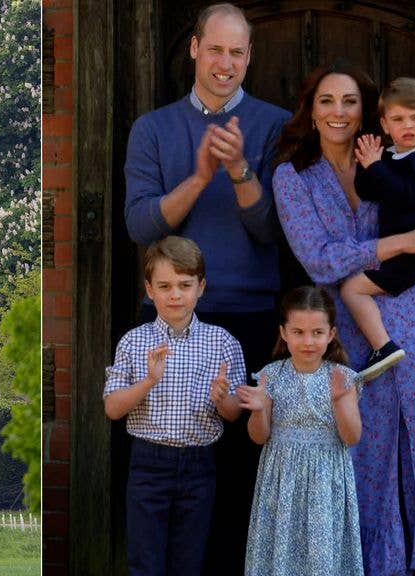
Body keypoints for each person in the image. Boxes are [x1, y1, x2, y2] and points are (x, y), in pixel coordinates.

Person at [271, 60, 415, 576]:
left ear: (369, 113)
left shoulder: (394, 158)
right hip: (347, 336)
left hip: (414, 319)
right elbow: (319, 258)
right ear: (310, 112)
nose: (338, 112)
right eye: (326, 101)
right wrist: (406, 241)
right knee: (364, 464)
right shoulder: (292, 176)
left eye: (349, 101)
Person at [123, 5, 289, 571]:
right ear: (194, 49)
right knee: (165, 473)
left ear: (249, 57)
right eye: (215, 50)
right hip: (169, 319)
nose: (225, 63)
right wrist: (198, 177)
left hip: (248, 317)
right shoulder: (153, 128)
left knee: (240, 475)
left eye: (237, 52)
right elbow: (141, 225)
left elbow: (272, 231)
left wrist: (240, 170)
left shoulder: (275, 126)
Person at [104, 235, 245, 576]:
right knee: (145, 562)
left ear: (201, 287)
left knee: (188, 562)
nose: (175, 295)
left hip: (199, 465)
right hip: (148, 463)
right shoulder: (134, 341)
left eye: (185, 285)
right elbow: (112, 408)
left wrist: (222, 398)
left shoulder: (222, 342)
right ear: (149, 290)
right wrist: (149, 381)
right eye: (165, 286)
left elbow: (233, 413)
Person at [237, 286, 364, 576]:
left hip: (325, 480)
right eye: (298, 332)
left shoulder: (343, 378)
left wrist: (340, 402)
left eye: (317, 333)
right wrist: (258, 409)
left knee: (322, 558)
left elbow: (351, 437)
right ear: (284, 332)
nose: (308, 341)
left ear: (331, 334)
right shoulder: (272, 374)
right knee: (281, 553)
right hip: (281, 480)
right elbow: (259, 436)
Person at [339, 77, 415, 381]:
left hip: (412, 256)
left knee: (352, 288)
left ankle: (382, 347)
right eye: (398, 119)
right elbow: (369, 191)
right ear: (385, 125)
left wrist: (376, 166)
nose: (408, 126)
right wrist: (367, 164)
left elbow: (404, 194)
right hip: (399, 252)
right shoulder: (396, 156)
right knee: (412, 313)